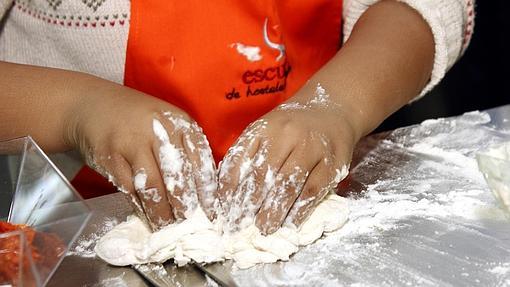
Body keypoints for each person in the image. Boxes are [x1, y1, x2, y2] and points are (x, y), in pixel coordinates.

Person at [0, 0, 474, 234]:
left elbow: (420, 7)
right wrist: (76, 110)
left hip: (313, 190)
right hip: (68, 218)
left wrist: (339, 105)